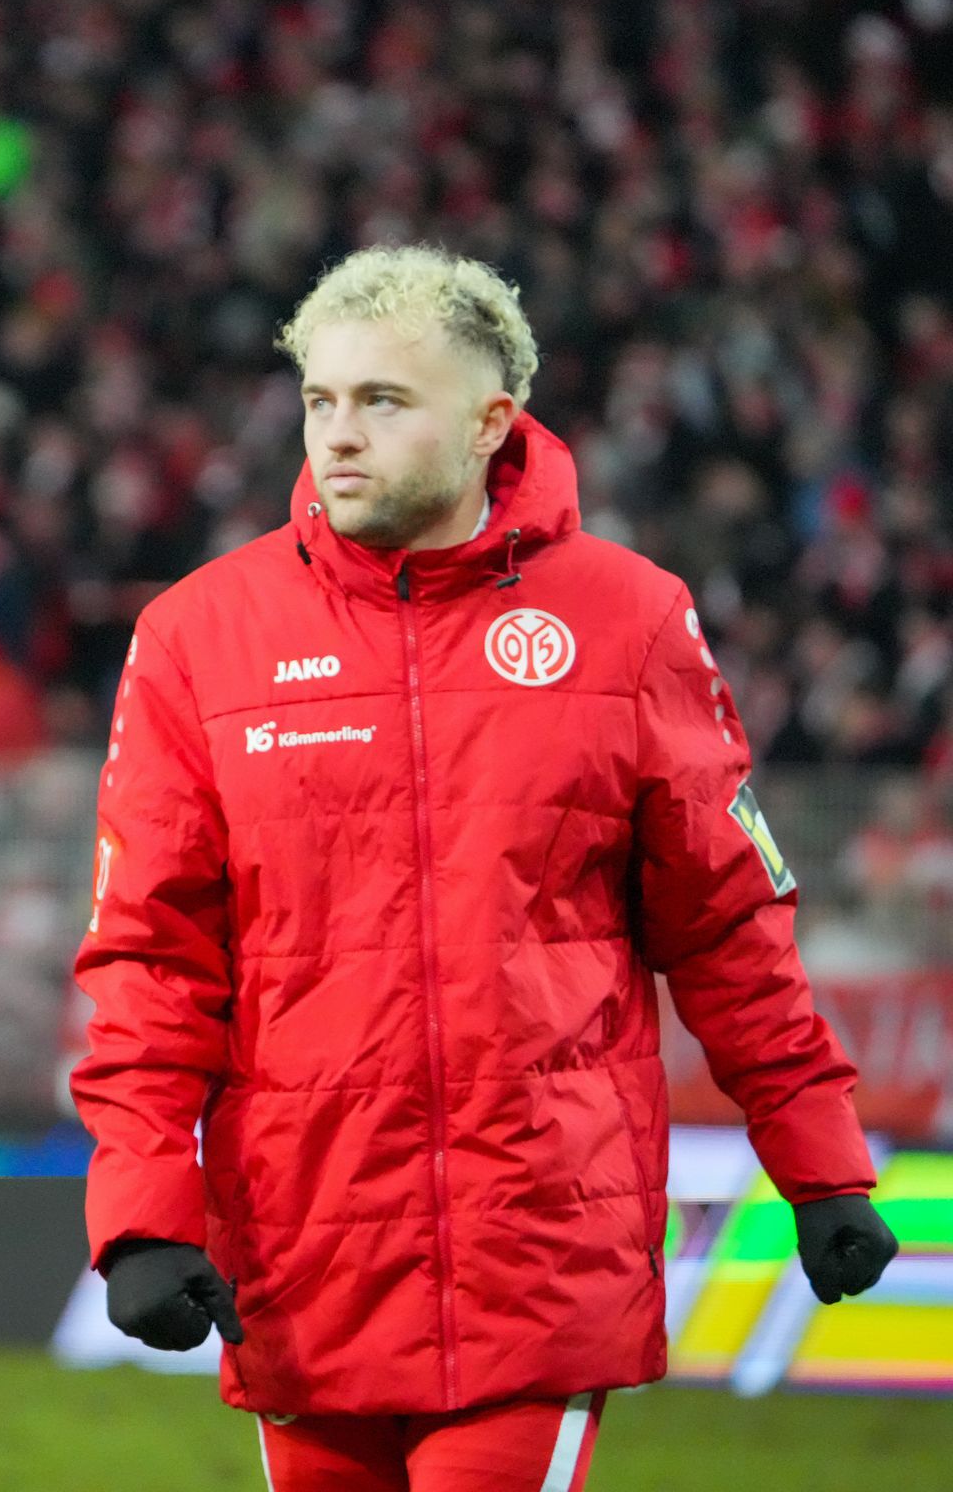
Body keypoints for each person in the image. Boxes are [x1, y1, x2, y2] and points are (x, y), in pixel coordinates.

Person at [70, 245, 898, 1492]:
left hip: (536, 1251)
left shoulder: (626, 618)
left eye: (381, 403)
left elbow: (726, 926)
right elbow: (149, 960)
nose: (335, 437)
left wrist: (820, 1164)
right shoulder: (196, 638)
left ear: (487, 423)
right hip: (304, 1257)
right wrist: (139, 1216)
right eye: (319, 401)